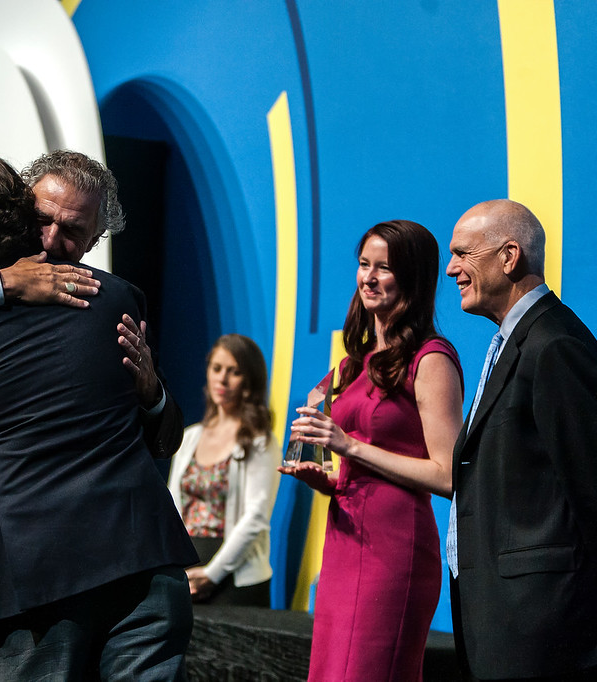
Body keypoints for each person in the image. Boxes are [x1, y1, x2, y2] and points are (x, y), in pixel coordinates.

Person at [0, 155, 198, 680]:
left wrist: (152, 394)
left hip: (38, 566)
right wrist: (2, 283)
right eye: (41, 220)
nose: (51, 241)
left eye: (72, 231)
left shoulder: (114, 302)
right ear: (16, 211)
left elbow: (160, 437)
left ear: (95, 240)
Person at [279, 220, 464, 681]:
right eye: (364, 264)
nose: (369, 277)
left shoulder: (431, 358)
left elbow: (448, 476)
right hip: (344, 539)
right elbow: (357, 463)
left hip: (393, 549)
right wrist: (327, 480)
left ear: (412, 278)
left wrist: (349, 446)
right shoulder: (352, 365)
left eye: (384, 268)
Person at [445, 199, 597, 680]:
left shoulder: (556, 345)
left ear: (509, 257)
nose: (451, 270)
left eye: (463, 254)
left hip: (542, 628)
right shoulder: (514, 342)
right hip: (503, 618)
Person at [167, 334, 280, 606]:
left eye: (234, 372)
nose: (222, 379)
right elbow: (172, 506)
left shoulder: (259, 440)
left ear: (250, 380)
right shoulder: (190, 437)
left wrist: (213, 574)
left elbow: (256, 517)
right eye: (216, 368)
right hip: (186, 572)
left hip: (235, 578)